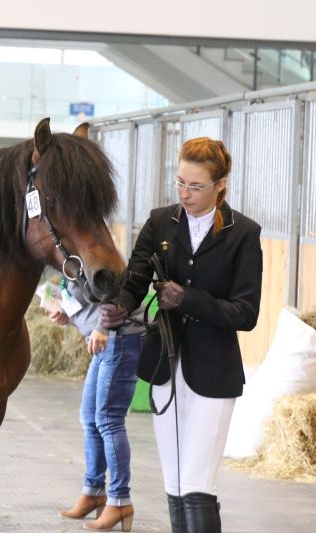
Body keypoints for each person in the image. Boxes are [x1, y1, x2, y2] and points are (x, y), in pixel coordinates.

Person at [100, 137, 263, 533]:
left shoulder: (243, 234)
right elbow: (136, 277)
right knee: (174, 482)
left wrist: (187, 298)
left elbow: (246, 313)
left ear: (220, 184)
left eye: (195, 186)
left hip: (213, 371)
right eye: (180, 183)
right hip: (164, 365)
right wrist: (120, 304)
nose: (185, 194)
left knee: (196, 484)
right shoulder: (160, 222)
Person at [52, 279, 144, 532]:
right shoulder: (68, 262)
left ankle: (119, 500)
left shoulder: (88, 251)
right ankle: (94, 492)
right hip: (104, 341)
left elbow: (120, 293)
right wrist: (68, 316)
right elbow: (90, 302)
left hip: (119, 337)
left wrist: (103, 327)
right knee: (90, 419)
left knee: (108, 420)